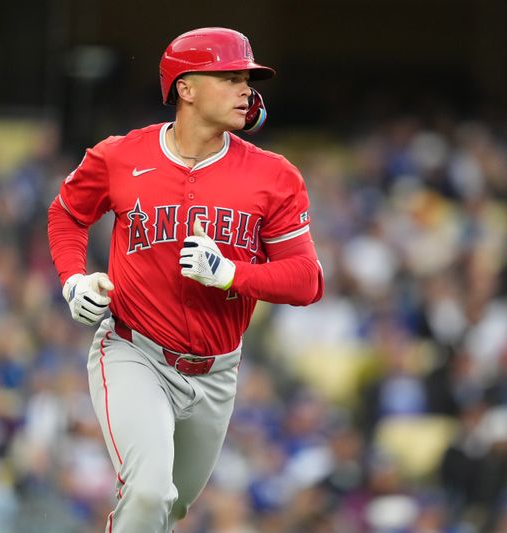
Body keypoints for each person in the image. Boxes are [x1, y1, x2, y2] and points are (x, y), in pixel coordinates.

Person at [47, 27, 324, 533]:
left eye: (247, 80)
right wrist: (74, 280)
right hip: (135, 350)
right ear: (186, 88)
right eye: (231, 77)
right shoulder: (119, 155)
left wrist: (230, 273)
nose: (247, 90)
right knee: (150, 490)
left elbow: (307, 279)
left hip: (216, 372)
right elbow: (66, 216)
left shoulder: (274, 175)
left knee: (168, 509)